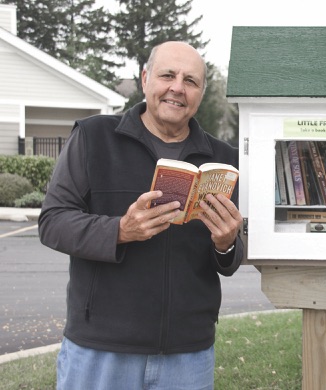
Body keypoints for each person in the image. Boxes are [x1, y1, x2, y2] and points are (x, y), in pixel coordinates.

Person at [39, 41, 243, 390]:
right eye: (168, 75)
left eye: (191, 81)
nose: (177, 87)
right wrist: (119, 229)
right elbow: (53, 221)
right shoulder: (94, 137)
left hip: (188, 353)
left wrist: (226, 243)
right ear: (146, 78)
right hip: (101, 348)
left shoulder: (223, 160)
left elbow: (232, 256)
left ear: (201, 92)